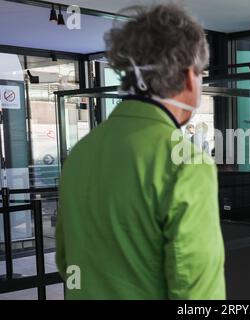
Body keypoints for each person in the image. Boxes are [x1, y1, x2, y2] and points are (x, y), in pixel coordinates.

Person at [55, 4, 225, 300]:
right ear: (188, 77)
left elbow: (66, 258)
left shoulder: (81, 153)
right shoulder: (186, 162)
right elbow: (195, 288)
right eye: (201, 74)